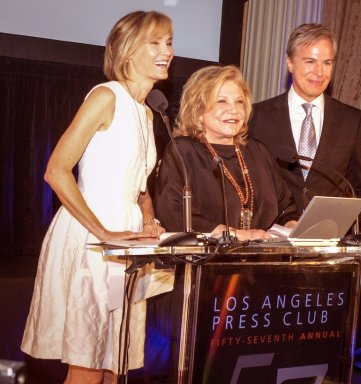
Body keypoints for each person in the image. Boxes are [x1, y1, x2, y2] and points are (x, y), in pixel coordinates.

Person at [21, 11, 173, 383]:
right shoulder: (106, 97)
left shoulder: (148, 113)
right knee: (87, 363)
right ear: (126, 50)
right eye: (154, 42)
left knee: (113, 363)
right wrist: (104, 233)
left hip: (128, 241)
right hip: (91, 237)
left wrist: (149, 220)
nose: (166, 51)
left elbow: (140, 187)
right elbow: (56, 171)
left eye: (168, 42)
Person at [249, 23, 361, 235]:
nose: (319, 72)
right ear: (290, 63)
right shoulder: (257, 117)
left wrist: (355, 236)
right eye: (310, 61)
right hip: (270, 247)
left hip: (331, 250)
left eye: (327, 63)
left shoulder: (352, 121)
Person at [155, 65, 298, 241]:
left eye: (239, 102)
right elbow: (171, 211)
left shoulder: (258, 150)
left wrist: (294, 226)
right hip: (206, 261)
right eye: (222, 101)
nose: (234, 110)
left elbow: (286, 206)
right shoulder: (182, 151)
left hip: (260, 261)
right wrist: (232, 234)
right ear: (198, 110)